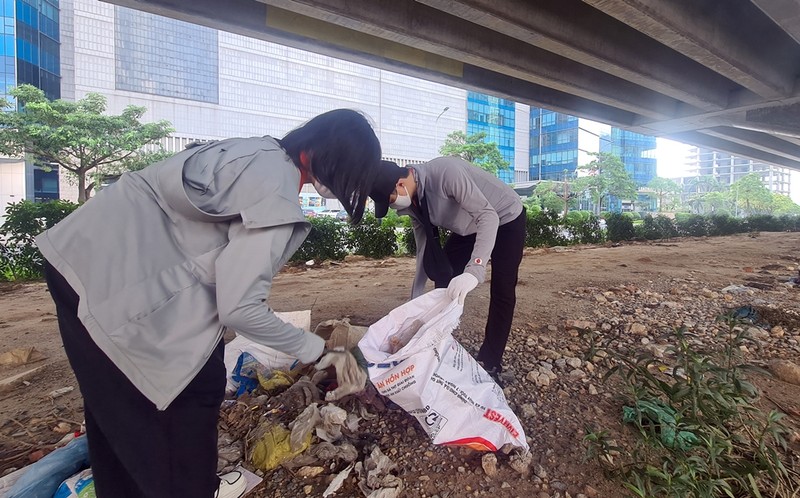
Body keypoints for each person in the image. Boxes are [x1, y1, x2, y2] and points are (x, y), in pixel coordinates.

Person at [35, 109, 381, 498]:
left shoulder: (253, 151)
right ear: (315, 154)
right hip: (113, 284)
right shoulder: (276, 191)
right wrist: (322, 350)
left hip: (78, 259)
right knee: (182, 403)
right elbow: (240, 308)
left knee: (117, 407)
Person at [369, 158, 525, 384]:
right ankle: (436, 346)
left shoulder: (445, 173)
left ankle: (490, 362)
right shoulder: (413, 201)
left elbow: (487, 216)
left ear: (401, 183)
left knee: (503, 288)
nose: (393, 205)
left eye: (390, 199)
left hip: (505, 216)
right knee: (443, 276)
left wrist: (475, 269)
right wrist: (415, 300)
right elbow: (424, 248)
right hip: (469, 226)